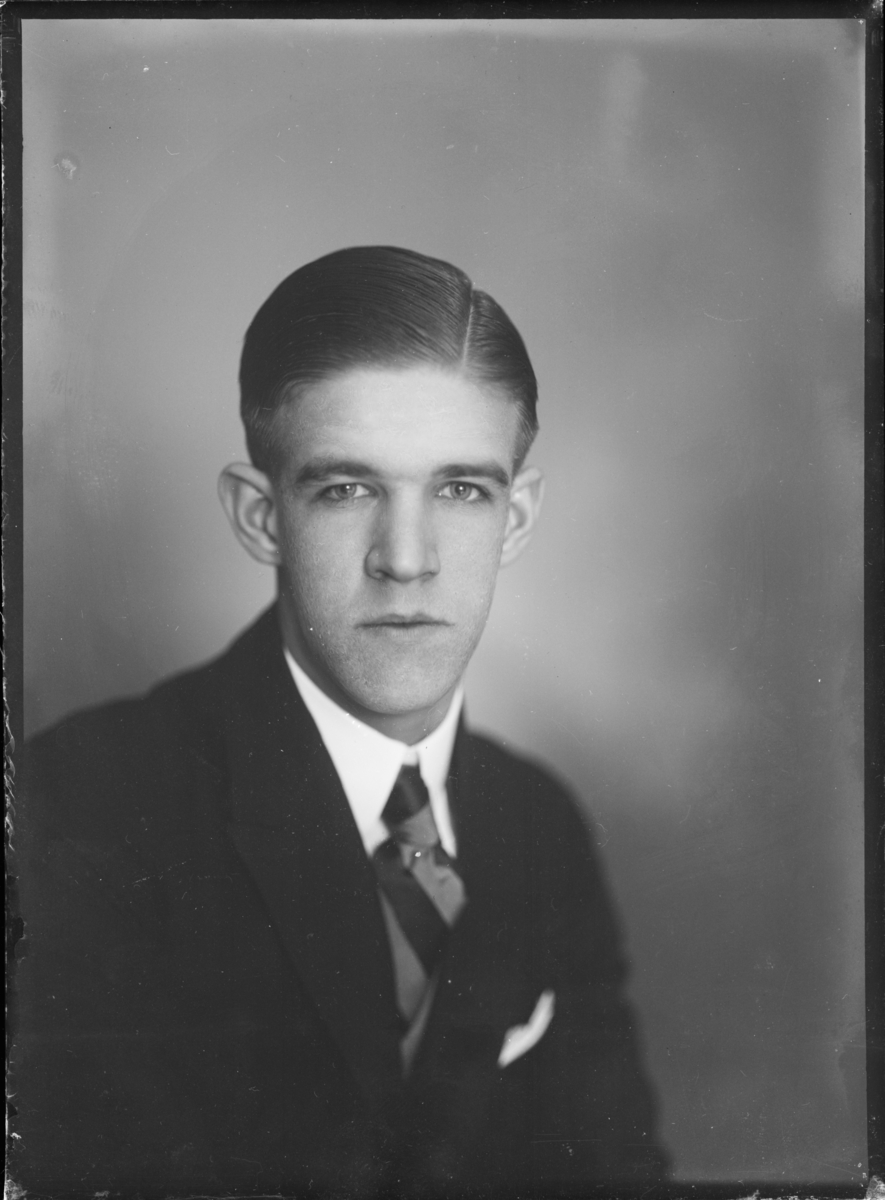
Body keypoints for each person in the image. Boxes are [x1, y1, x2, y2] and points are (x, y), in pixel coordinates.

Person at [12, 246, 670, 1196]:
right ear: (260, 516)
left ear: (516, 519)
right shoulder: (79, 806)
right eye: (346, 489)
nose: (405, 559)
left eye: (460, 489)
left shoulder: (538, 825)